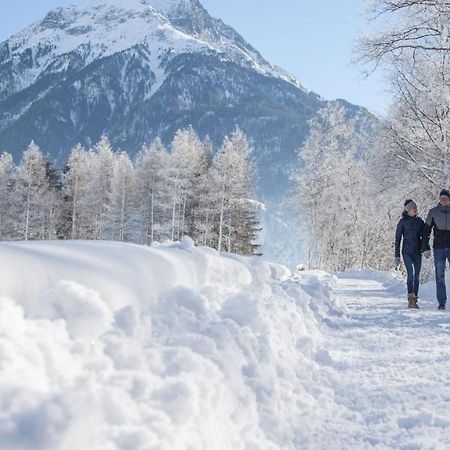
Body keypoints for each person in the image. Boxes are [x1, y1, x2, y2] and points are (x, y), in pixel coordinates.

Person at [422, 189, 450, 310]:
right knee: (440, 275)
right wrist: (425, 246)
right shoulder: (433, 212)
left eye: (445, 198)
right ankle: (442, 302)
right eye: (441, 198)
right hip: (438, 248)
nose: (443, 200)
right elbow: (426, 230)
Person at [395, 199, 424, 309]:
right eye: (413, 208)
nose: (416, 210)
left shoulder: (419, 221)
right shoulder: (402, 222)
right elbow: (397, 239)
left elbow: (425, 236)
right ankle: (410, 297)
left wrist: (425, 248)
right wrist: (397, 255)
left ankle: (415, 298)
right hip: (406, 252)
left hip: (417, 252)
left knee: (416, 276)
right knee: (410, 274)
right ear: (408, 210)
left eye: (416, 208)